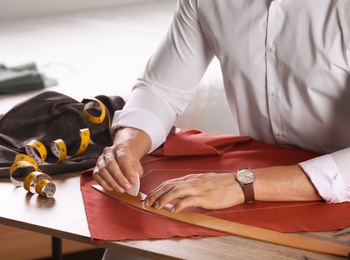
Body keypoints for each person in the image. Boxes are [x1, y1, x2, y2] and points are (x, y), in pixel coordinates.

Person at [94, 1, 350, 258]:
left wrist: (243, 184)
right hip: (253, 177)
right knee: (130, 249)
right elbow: (160, 89)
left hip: (338, 192)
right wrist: (126, 144)